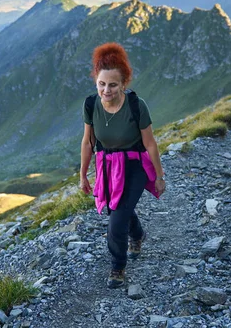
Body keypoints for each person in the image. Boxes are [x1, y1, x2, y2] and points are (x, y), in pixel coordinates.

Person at [80, 42, 166, 289]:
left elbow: (150, 144)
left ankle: (118, 267)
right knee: (118, 209)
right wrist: (83, 175)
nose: (106, 90)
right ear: (96, 80)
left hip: (135, 165)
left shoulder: (137, 105)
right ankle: (138, 235)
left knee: (116, 221)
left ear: (124, 84)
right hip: (108, 167)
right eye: (102, 84)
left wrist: (159, 176)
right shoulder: (90, 105)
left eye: (113, 85)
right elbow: (88, 142)